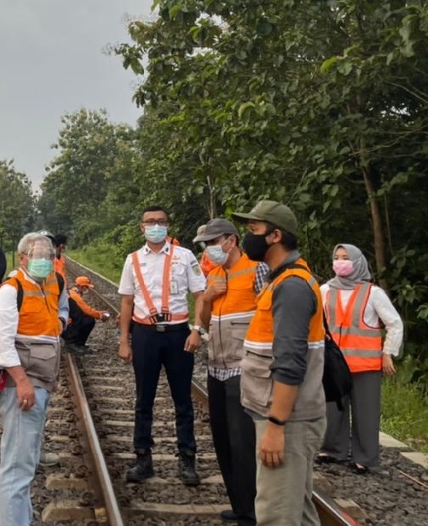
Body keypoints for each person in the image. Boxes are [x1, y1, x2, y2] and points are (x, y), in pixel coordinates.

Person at [232, 200, 326, 526]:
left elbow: (290, 363)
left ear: (275, 236)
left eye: (253, 230)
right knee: (297, 512)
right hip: (289, 415)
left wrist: (276, 425)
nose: (248, 238)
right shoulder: (282, 281)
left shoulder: (292, 288)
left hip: (289, 418)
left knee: (277, 515)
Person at [118, 206, 207, 486]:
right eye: (150, 222)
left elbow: (201, 295)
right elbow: (126, 302)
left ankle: (187, 459)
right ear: (141, 227)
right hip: (145, 334)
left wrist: (198, 330)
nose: (156, 226)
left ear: (168, 225)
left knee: (183, 400)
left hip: (179, 333)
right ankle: (143, 458)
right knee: (144, 399)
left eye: (161, 221)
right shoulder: (132, 260)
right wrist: (124, 340)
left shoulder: (185, 257)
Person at [0, 232, 69, 526]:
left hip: (41, 381)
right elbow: (0, 342)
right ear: (22, 258)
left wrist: (60, 323)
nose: (44, 260)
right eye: (37, 255)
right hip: (22, 385)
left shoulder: (54, 283)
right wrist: (22, 381)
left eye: (49, 255)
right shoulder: (10, 290)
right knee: (17, 466)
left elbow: (62, 311)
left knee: (26, 461)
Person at [193, 219, 269, 525]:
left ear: (232, 240)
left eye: (214, 242)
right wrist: (208, 297)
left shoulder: (257, 269)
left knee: (242, 440)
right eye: (205, 245)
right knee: (222, 438)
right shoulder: (216, 273)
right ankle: (238, 504)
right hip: (217, 365)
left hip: (244, 366)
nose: (210, 249)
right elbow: (203, 316)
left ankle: (252, 510)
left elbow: (269, 315)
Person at [316, 244, 403, 474]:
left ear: (358, 262)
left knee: (366, 413)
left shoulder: (372, 292)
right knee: (332, 408)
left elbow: (394, 323)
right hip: (334, 363)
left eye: (346, 258)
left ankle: (365, 458)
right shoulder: (324, 290)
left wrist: (388, 353)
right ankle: (332, 449)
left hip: (365, 365)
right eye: (337, 257)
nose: (340, 262)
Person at [62, 276, 110, 354]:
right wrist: (100, 315)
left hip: (66, 323)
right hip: (67, 326)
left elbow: (85, 310)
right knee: (89, 321)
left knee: (87, 319)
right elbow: (87, 310)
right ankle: (72, 343)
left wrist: (99, 312)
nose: (87, 289)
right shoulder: (75, 296)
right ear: (82, 286)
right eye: (86, 287)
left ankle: (78, 344)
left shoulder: (73, 293)